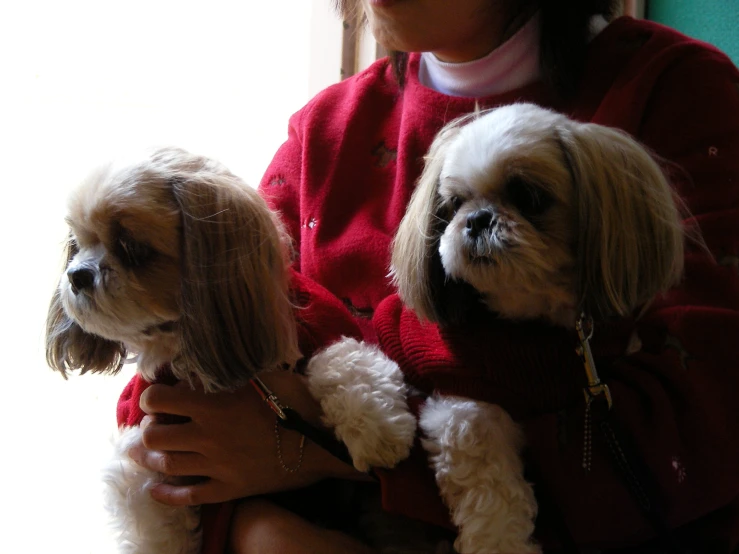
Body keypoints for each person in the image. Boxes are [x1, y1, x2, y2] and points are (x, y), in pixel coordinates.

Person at [118, 0, 739, 552]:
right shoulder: (324, 130)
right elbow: (173, 377)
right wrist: (258, 531)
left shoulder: (681, 95)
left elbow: (705, 425)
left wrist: (326, 455)